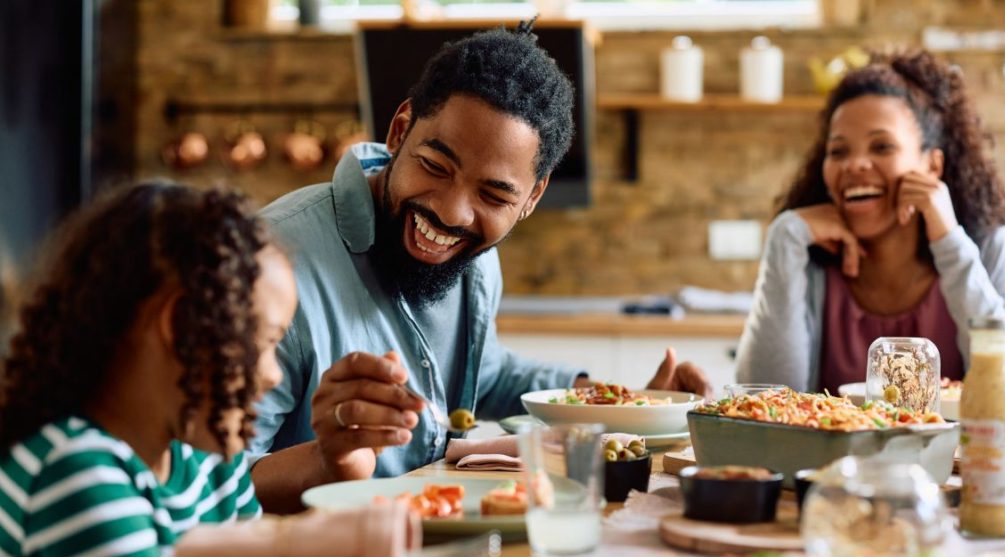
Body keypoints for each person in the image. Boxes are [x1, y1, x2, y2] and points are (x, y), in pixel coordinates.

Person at [250, 22, 710, 513]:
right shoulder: (270, 266)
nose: (451, 212)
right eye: (435, 166)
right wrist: (330, 459)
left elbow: (483, 374)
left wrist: (622, 404)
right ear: (400, 131)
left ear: (531, 198)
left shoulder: (476, 262)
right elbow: (204, 482)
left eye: (492, 194)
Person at [0, 182, 418, 557]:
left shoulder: (208, 461)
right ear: (179, 324)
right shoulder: (77, 471)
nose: (273, 375)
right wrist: (295, 545)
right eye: (265, 342)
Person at [735, 47, 1005, 403]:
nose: (855, 164)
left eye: (882, 147)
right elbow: (763, 403)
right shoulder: (810, 260)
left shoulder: (992, 250)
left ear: (931, 166)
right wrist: (785, 237)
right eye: (838, 151)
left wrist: (950, 243)